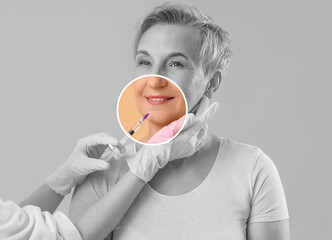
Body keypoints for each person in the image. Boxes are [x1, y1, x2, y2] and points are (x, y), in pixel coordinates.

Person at [70, 2, 290, 240]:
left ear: (212, 81)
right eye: (145, 62)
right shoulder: (103, 173)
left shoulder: (252, 169)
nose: (154, 79)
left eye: (175, 63)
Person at [0, 99, 218, 240]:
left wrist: (60, 181)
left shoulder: (249, 163)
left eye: (176, 63)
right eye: (144, 62)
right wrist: (141, 169)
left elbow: (14, 226)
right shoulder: (105, 178)